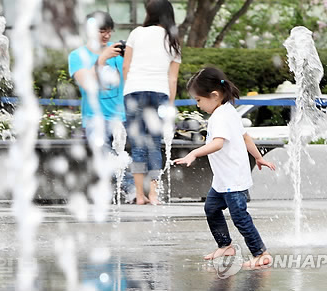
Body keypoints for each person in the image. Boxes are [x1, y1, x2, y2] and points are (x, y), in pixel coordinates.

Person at [173, 67, 276, 268]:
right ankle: (225, 245)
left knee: (239, 217)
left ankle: (260, 253)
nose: (198, 104)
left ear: (214, 95)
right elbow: (244, 136)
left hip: (232, 180)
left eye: (199, 100)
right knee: (211, 208)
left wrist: (194, 153)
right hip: (223, 179)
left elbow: (218, 143)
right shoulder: (228, 110)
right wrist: (258, 157)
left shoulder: (221, 116)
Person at [68, 11, 135, 201]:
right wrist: (102, 59)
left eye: (109, 32)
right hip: (95, 118)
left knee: (128, 155)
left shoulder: (118, 54)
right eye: (102, 31)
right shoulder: (77, 55)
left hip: (122, 117)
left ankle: (127, 192)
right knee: (105, 155)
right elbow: (85, 83)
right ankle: (128, 191)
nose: (107, 36)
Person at [122, 0, 181, 205]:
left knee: (137, 144)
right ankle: (154, 194)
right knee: (155, 144)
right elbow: (173, 78)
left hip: (134, 91)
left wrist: (130, 88)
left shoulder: (137, 33)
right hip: (160, 92)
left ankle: (139, 196)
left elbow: (126, 66)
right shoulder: (172, 39)